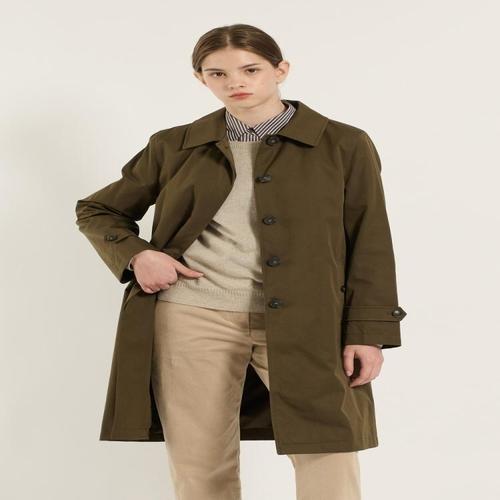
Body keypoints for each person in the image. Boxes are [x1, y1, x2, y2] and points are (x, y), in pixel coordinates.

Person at [76, 23, 407, 500]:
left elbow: (369, 239)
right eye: (218, 73)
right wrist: (138, 254)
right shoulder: (175, 145)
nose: (235, 82)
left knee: (328, 449)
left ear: (280, 70)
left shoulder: (342, 144)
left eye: (250, 69)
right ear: (200, 79)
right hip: (192, 315)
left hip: (309, 319)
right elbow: (98, 209)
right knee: (201, 460)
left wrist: (368, 332)